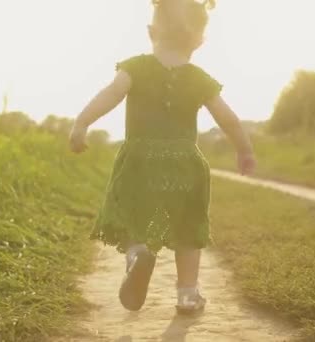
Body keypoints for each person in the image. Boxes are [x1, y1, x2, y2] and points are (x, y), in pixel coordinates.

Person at [69, 0, 256, 314]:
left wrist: (81, 123)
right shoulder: (199, 79)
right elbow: (229, 119)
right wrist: (244, 150)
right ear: (199, 41)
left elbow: (110, 94)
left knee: (130, 214)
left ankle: (137, 254)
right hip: (185, 162)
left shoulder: (135, 68)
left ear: (151, 31)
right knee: (188, 227)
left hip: (140, 158)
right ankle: (187, 293)